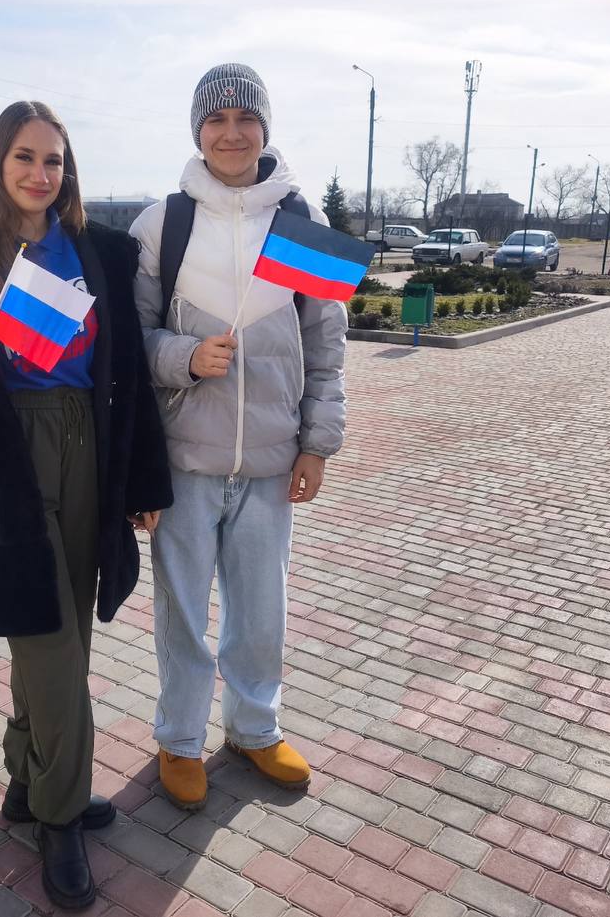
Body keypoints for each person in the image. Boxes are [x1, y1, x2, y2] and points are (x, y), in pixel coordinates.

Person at [0, 101, 172, 910]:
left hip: (89, 445)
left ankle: (28, 777)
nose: (40, 173)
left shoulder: (98, 251)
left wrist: (143, 483)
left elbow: (128, 377)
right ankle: (60, 814)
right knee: (48, 639)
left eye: (54, 160)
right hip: (7, 460)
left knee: (68, 628)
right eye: (25, 156)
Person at [129, 64, 348, 811]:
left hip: (270, 460)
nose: (231, 133)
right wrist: (185, 358)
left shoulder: (302, 224)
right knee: (182, 615)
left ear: (265, 128)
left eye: (245, 118)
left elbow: (327, 346)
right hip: (183, 461)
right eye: (216, 119)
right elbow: (130, 343)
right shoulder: (161, 225)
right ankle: (180, 737)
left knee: (260, 612)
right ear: (197, 131)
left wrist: (316, 442)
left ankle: (255, 728)